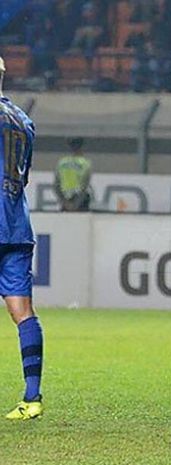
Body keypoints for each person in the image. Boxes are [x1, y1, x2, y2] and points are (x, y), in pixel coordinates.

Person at [0, 56, 45, 420]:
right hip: (17, 223)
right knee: (22, 311)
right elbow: (23, 174)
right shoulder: (23, 119)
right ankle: (32, 397)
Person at [54, 137, 92, 212]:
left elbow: (56, 185)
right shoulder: (85, 163)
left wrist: (65, 203)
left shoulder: (62, 163)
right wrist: (75, 205)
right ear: (82, 148)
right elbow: (84, 186)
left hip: (65, 199)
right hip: (80, 202)